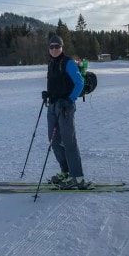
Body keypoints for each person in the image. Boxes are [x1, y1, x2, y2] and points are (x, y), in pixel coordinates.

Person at [42, 35, 86, 189]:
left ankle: (77, 177)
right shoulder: (51, 63)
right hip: (53, 106)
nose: (54, 49)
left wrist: (70, 99)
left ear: (62, 47)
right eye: (51, 47)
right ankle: (65, 171)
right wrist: (48, 94)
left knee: (69, 141)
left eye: (57, 46)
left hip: (66, 107)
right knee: (53, 140)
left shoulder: (68, 63)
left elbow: (80, 82)